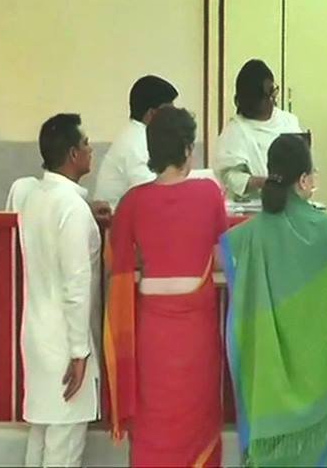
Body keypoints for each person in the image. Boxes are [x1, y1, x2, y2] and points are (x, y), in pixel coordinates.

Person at [221, 134, 327, 466]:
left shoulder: (249, 235)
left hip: (267, 382)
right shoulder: (325, 232)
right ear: (303, 180)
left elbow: (220, 255)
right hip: (315, 379)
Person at [104, 106, 226, 467]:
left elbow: (115, 264)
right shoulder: (209, 193)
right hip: (197, 336)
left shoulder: (132, 202)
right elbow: (221, 257)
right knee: (197, 422)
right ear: (188, 149)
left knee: (153, 424)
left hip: (151, 337)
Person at [17, 114, 102, 467]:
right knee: (63, 448)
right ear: (72, 154)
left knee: (40, 438)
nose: (90, 149)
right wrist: (80, 353)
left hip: (38, 336)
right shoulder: (71, 209)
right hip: (66, 344)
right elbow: (76, 286)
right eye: (85, 144)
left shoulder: (35, 197)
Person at [213, 59, 302, 199]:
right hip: (251, 205)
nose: (271, 100)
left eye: (272, 93)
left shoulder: (289, 122)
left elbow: (304, 165)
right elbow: (230, 177)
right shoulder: (235, 131)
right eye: (265, 97)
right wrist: (264, 182)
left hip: (290, 202)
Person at [94, 75, 178, 209]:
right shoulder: (137, 144)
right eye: (169, 112)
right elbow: (151, 196)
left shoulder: (137, 135)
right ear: (152, 114)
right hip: (115, 218)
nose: (173, 118)